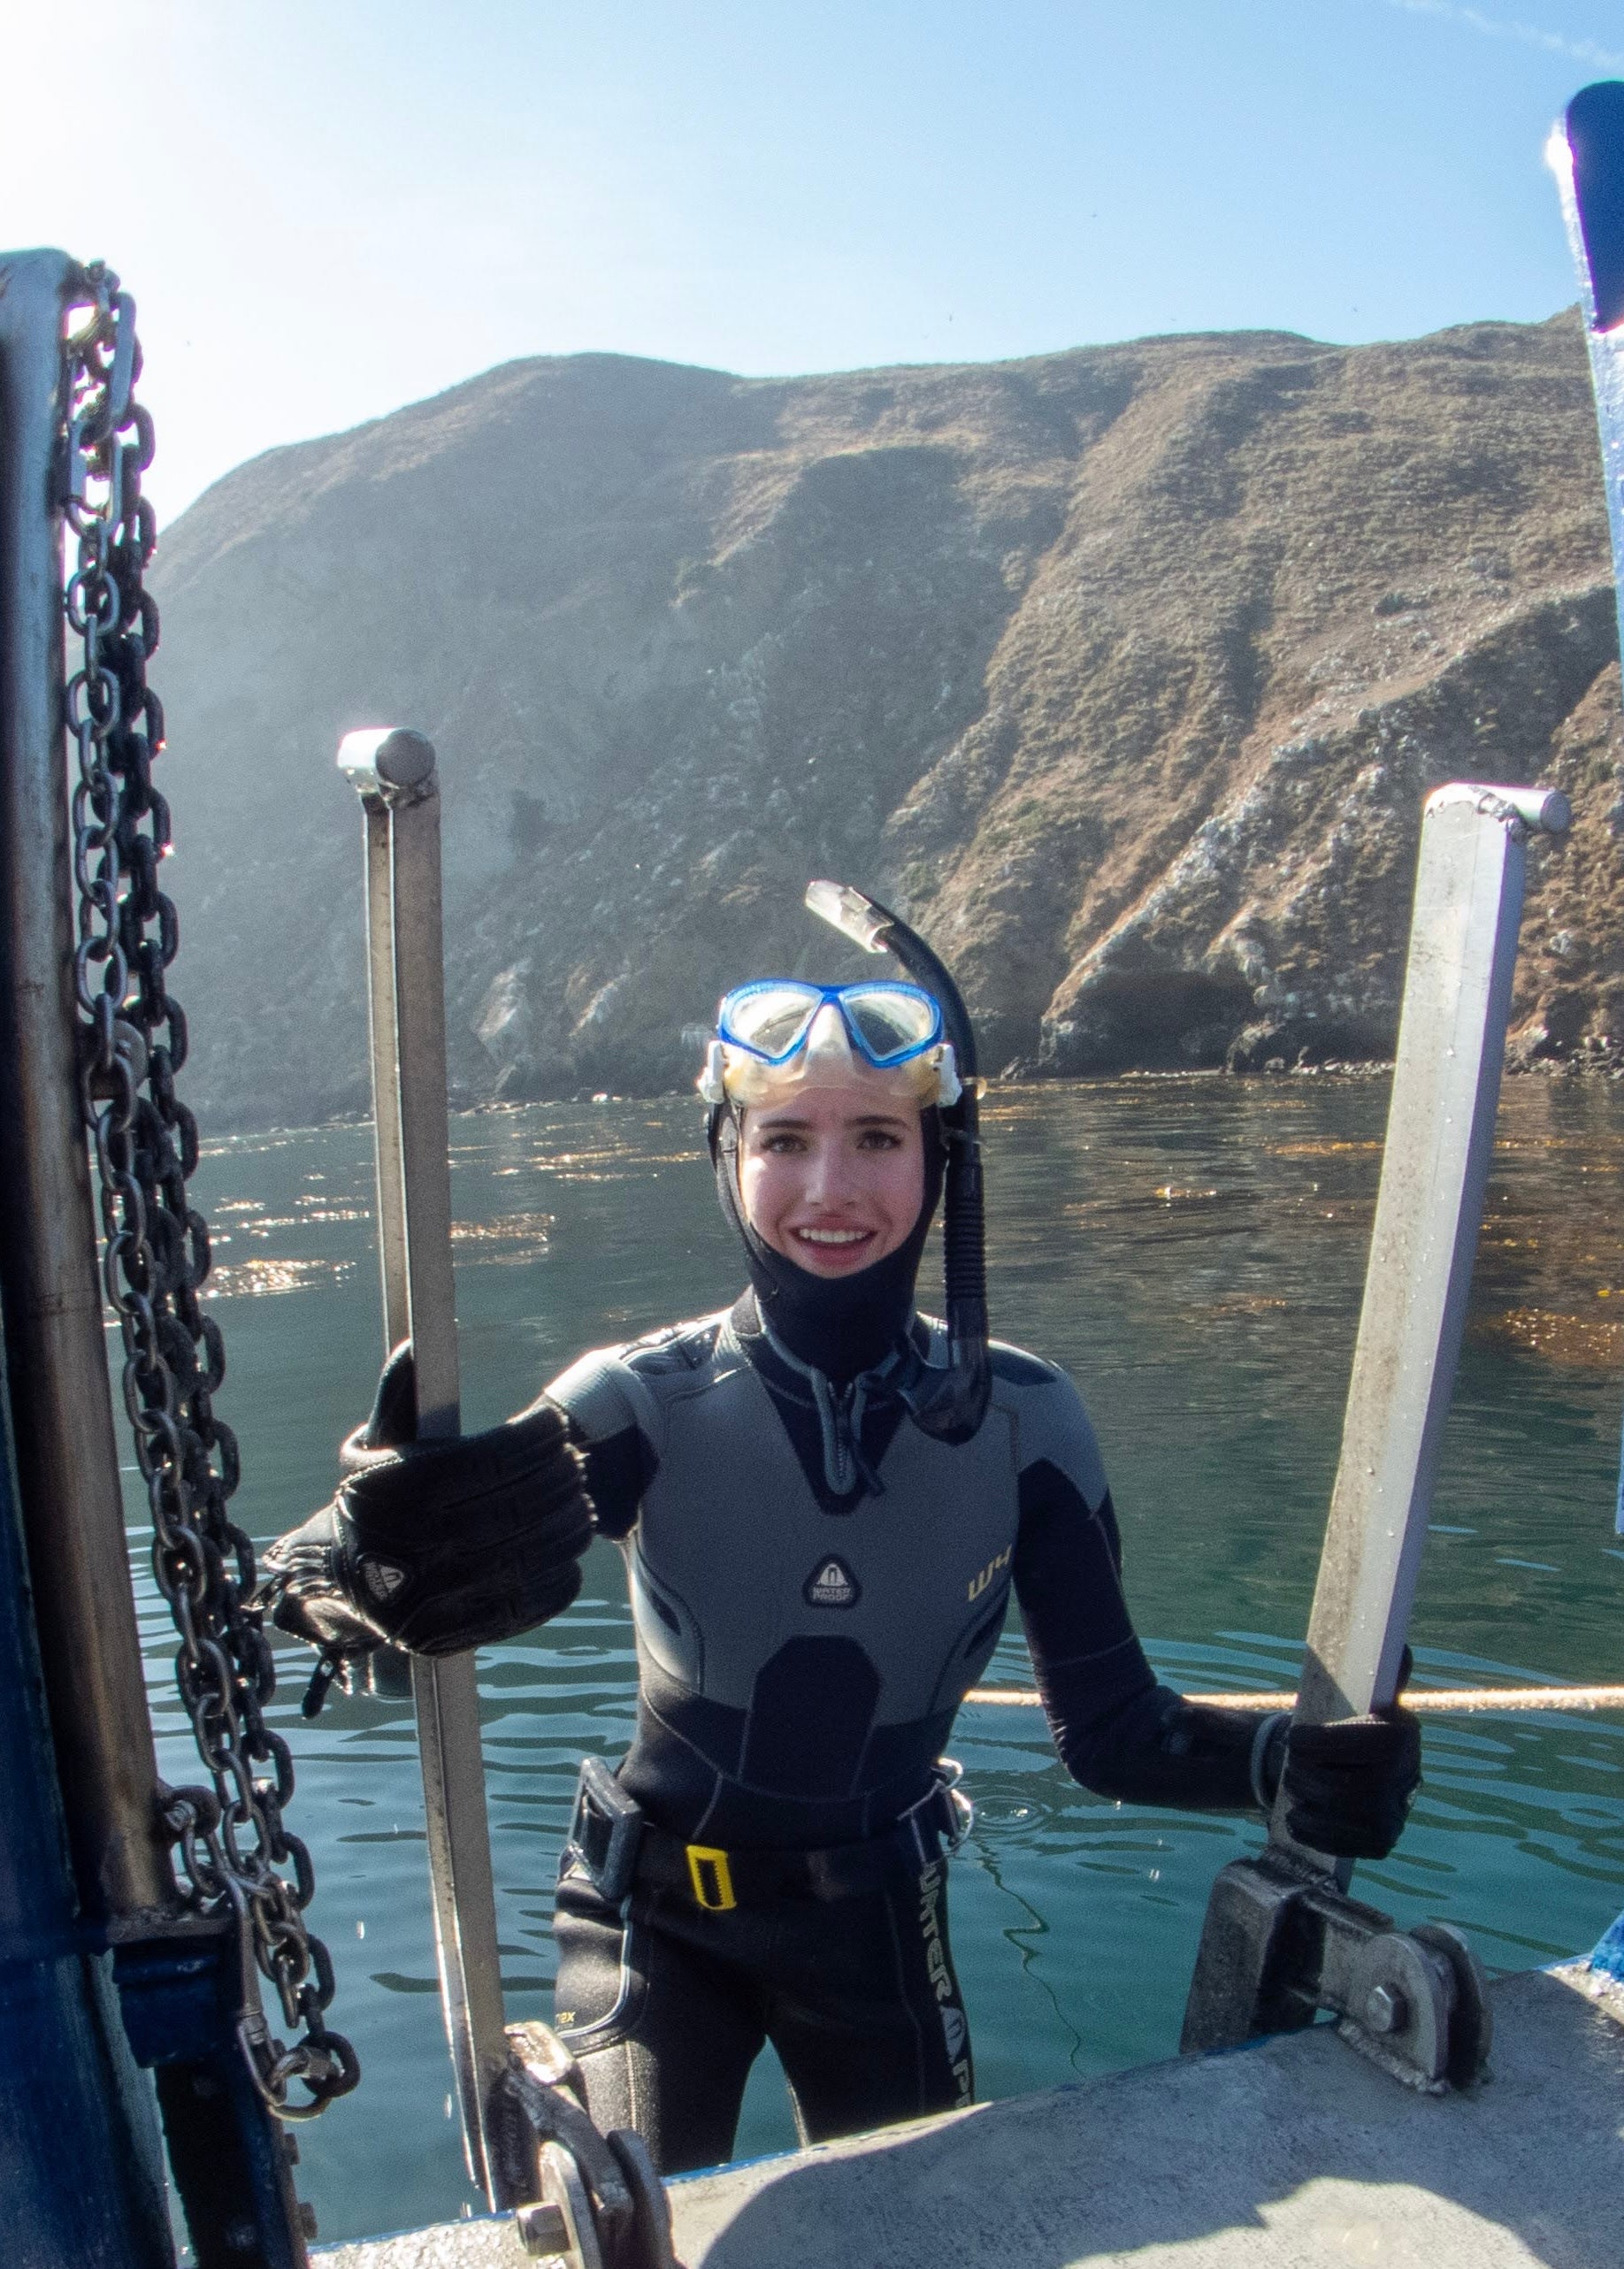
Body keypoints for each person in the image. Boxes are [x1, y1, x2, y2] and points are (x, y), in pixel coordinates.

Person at [260, 885, 1420, 2178]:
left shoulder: (1029, 1424)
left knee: (930, 2232)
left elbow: (1113, 1733)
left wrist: (1284, 1765)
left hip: (879, 1925)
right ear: (728, 1156)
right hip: (655, 1923)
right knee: (631, 2228)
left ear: (941, 1161)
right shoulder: (644, 1401)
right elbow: (325, 1563)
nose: (830, 1187)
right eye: (785, 1140)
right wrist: (362, 1567)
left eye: (876, 1136)